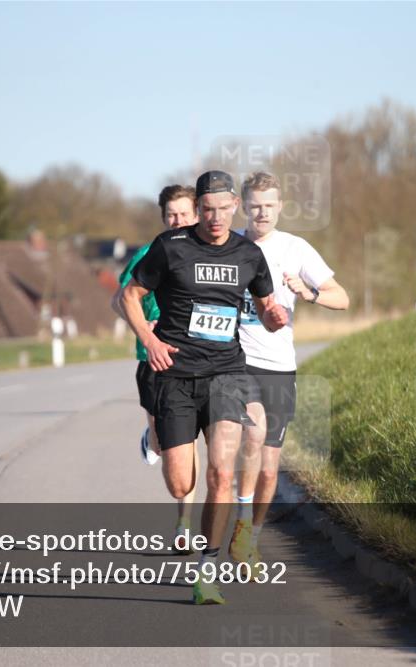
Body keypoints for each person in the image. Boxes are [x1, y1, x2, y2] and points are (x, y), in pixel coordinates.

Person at [120, 170, 288, 605]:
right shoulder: (170, 247)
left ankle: (206, 571)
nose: (215, 218)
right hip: (174, 375)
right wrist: (150, 339)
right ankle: (163, 440)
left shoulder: (248, 254)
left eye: (222, 209)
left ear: (235, 206)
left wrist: (274, 318)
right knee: (181, 483)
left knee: (220, 473)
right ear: (198, 209)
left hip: (227, 374)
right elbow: (129, 296)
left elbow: (267, 305)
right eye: (206, 210)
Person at [227, 171, 350, 566]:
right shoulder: (228, 247)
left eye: (269, 205)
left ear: (280, 206)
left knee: (269, 468)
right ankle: (241, 521)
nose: (261, 213)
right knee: (253, 433)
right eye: (255, 205)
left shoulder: (296, 248)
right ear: (243, 207)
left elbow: (342, 298)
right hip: (238, 361)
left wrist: (308, 292)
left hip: (279, 366)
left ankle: (250, 539)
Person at [112, 184, 200, 549]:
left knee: (189, 442)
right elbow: (120, 300)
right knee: (166, 444)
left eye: (183, 214)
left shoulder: (206, 254)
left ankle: (184, 525)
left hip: (194, 360)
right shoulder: (149, 254)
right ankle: (153, 435)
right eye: (171, 215)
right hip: (152, 360)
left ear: (196, 215)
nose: (177, 221)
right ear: (163, 218)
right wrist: (142, 327)